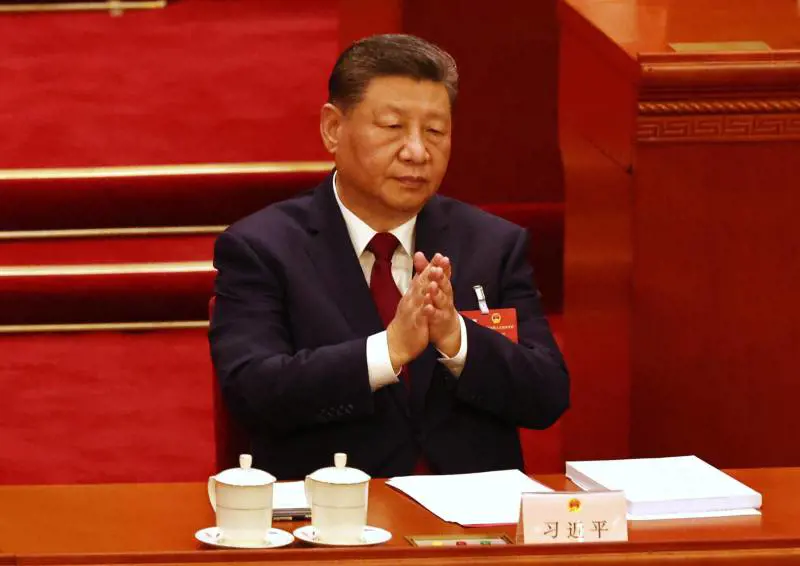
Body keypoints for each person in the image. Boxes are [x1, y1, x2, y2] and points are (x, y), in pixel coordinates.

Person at [210, 34, 569, 479]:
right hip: (335, 508)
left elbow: (547, 395)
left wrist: (457, 339)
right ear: (333, 128)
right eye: (393, 126)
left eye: (435, 131)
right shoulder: (263, 248)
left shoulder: (492, 244)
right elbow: (253, 392)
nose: (417, 151)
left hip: (471, 512)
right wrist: (388, 350)